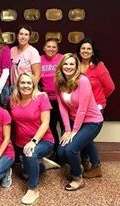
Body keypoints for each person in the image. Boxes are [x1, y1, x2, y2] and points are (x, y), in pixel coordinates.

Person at [56, 53, 103, 191]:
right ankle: (92, 165)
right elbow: (62, 108)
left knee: (70, 150)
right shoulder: (59, 82)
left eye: (72, 64)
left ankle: (77, 178)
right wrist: (67, 129)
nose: (68, 66)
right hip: (75, 122)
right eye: (66, 63)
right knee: (61, 152)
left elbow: (82, 108)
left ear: (76, 67)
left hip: (92, 121)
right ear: (61, 66)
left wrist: (74, 131)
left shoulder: (83, 81)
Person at [10, 72, 60, 205]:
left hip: (43, 140)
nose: (25, 86)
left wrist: (33, 141)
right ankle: (43, 164)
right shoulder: (13, 99)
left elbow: (45, 123)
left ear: (33, 85)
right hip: (21, 142)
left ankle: (33, 189)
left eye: (29, 83)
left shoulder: (41, 98)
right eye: (22, 83)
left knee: (30, 154)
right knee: (25, 173)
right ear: (18, 85)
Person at [76, 38, 115, 177]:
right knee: (84, 135)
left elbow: (110, 87)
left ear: (93, 52)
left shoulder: (99, 66)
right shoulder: (76, 65)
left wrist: (98, 100)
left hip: (95, 107)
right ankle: (85, 161)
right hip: (80, 107)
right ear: (79, 50)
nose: (85, 51)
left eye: (88, 49)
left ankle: (96, 165)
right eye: (83, 48)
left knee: (87, 135)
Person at [40, 38, 64, 161]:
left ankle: (64, 153)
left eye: (54, 47)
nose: (51, 49)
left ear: (57, 49)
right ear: (44, 48)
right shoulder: (39, 60)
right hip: (48, 101)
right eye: (48, 46)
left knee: (66, 127)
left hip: (63, 100)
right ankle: (55, 151)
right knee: (51, 126)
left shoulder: (62, 58)